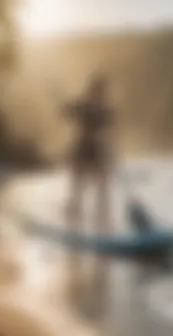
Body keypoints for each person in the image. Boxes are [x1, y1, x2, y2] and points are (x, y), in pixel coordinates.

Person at [64, 72, 116, 310]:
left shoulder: (106, 110)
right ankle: (72, 227)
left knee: (103, 190)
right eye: (98, 90)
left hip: (97, 151)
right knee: (78, 191)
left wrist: (112, 155)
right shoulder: (82, 105)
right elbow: (66, 113)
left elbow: (112, 132)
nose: (100, 94)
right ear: (92, 89)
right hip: (82, 150)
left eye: (102, 91)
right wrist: (68, 108)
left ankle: (102, 226)